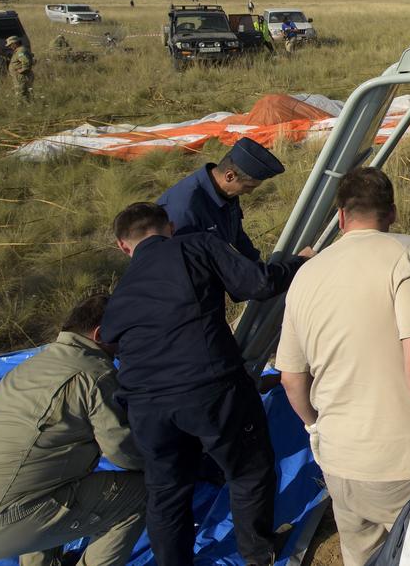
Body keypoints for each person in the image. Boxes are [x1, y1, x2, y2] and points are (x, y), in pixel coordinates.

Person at [102, 203, 311, 566]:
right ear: (170, 226)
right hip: (209, 389)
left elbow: (112, 340)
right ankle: (258, 553)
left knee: (166, 493)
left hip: (145, 406)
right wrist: (298, 262)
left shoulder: (121, 291)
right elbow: (258, 283)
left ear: (123, 246)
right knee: (249, 470)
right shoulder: (194, 245)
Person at [277, 168, 410, 566]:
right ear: (392, 213)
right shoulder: (406, 253)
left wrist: (313, 427)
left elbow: (291, 378)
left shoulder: (306, 273)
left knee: (361, 555)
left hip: (338, 462)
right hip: (400, 459)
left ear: (341, 216)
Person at [0, 295, 147, 566]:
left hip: (3, 506)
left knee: (44, 477)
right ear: (100, 334)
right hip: (6, 523)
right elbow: (123, 453)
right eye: (122, 334)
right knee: (140, 495)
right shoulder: (94, 373)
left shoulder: (27, 368)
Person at [157, 137, 285, 261]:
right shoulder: (184, 208)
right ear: (229, 176)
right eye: (248, 186)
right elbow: (179, 263)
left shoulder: (227, 192)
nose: (250, 193)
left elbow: (236, 234)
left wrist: (257, 263)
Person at [5, 35, 33, 100]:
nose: (10, 47)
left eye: (10, 45)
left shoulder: (21, 51)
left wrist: (23, 70)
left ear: (15, 43)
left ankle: (24, 107)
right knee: (23, 93)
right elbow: (15, 60)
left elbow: (26, 61)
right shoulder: (18, 51)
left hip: (22, 76)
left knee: (22, 94)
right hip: (19, 76)